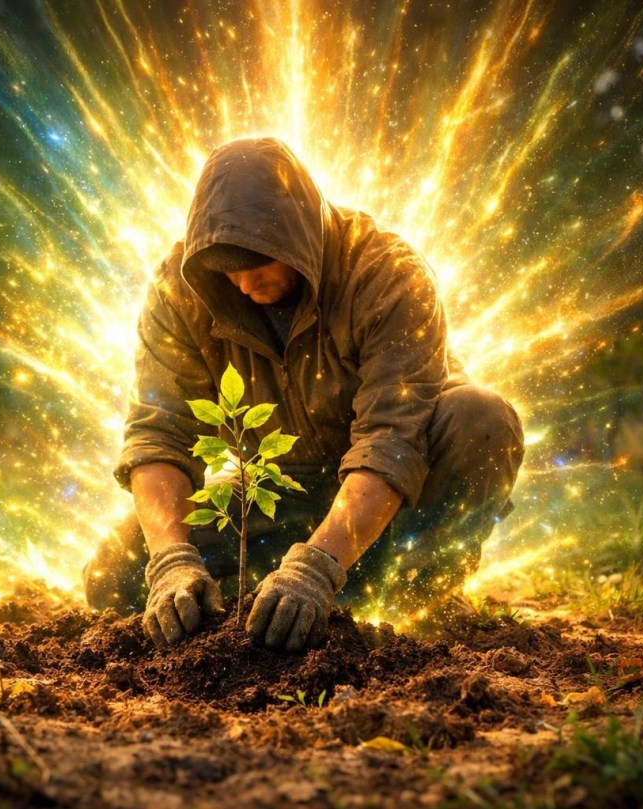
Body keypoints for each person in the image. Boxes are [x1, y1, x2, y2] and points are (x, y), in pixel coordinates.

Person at [84, 136, 524, 652]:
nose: (245, 284)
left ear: (294, 236)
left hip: (394, 501)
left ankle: (420, 597)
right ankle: (256, 604)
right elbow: (158, 434)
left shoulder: (387, 275)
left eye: (260, 263)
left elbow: (391, 439)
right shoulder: (178, 293)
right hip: (277, 491)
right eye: (229, 268)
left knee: (482, 417)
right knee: (114, 579)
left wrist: (316, 568)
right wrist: (172, 561)